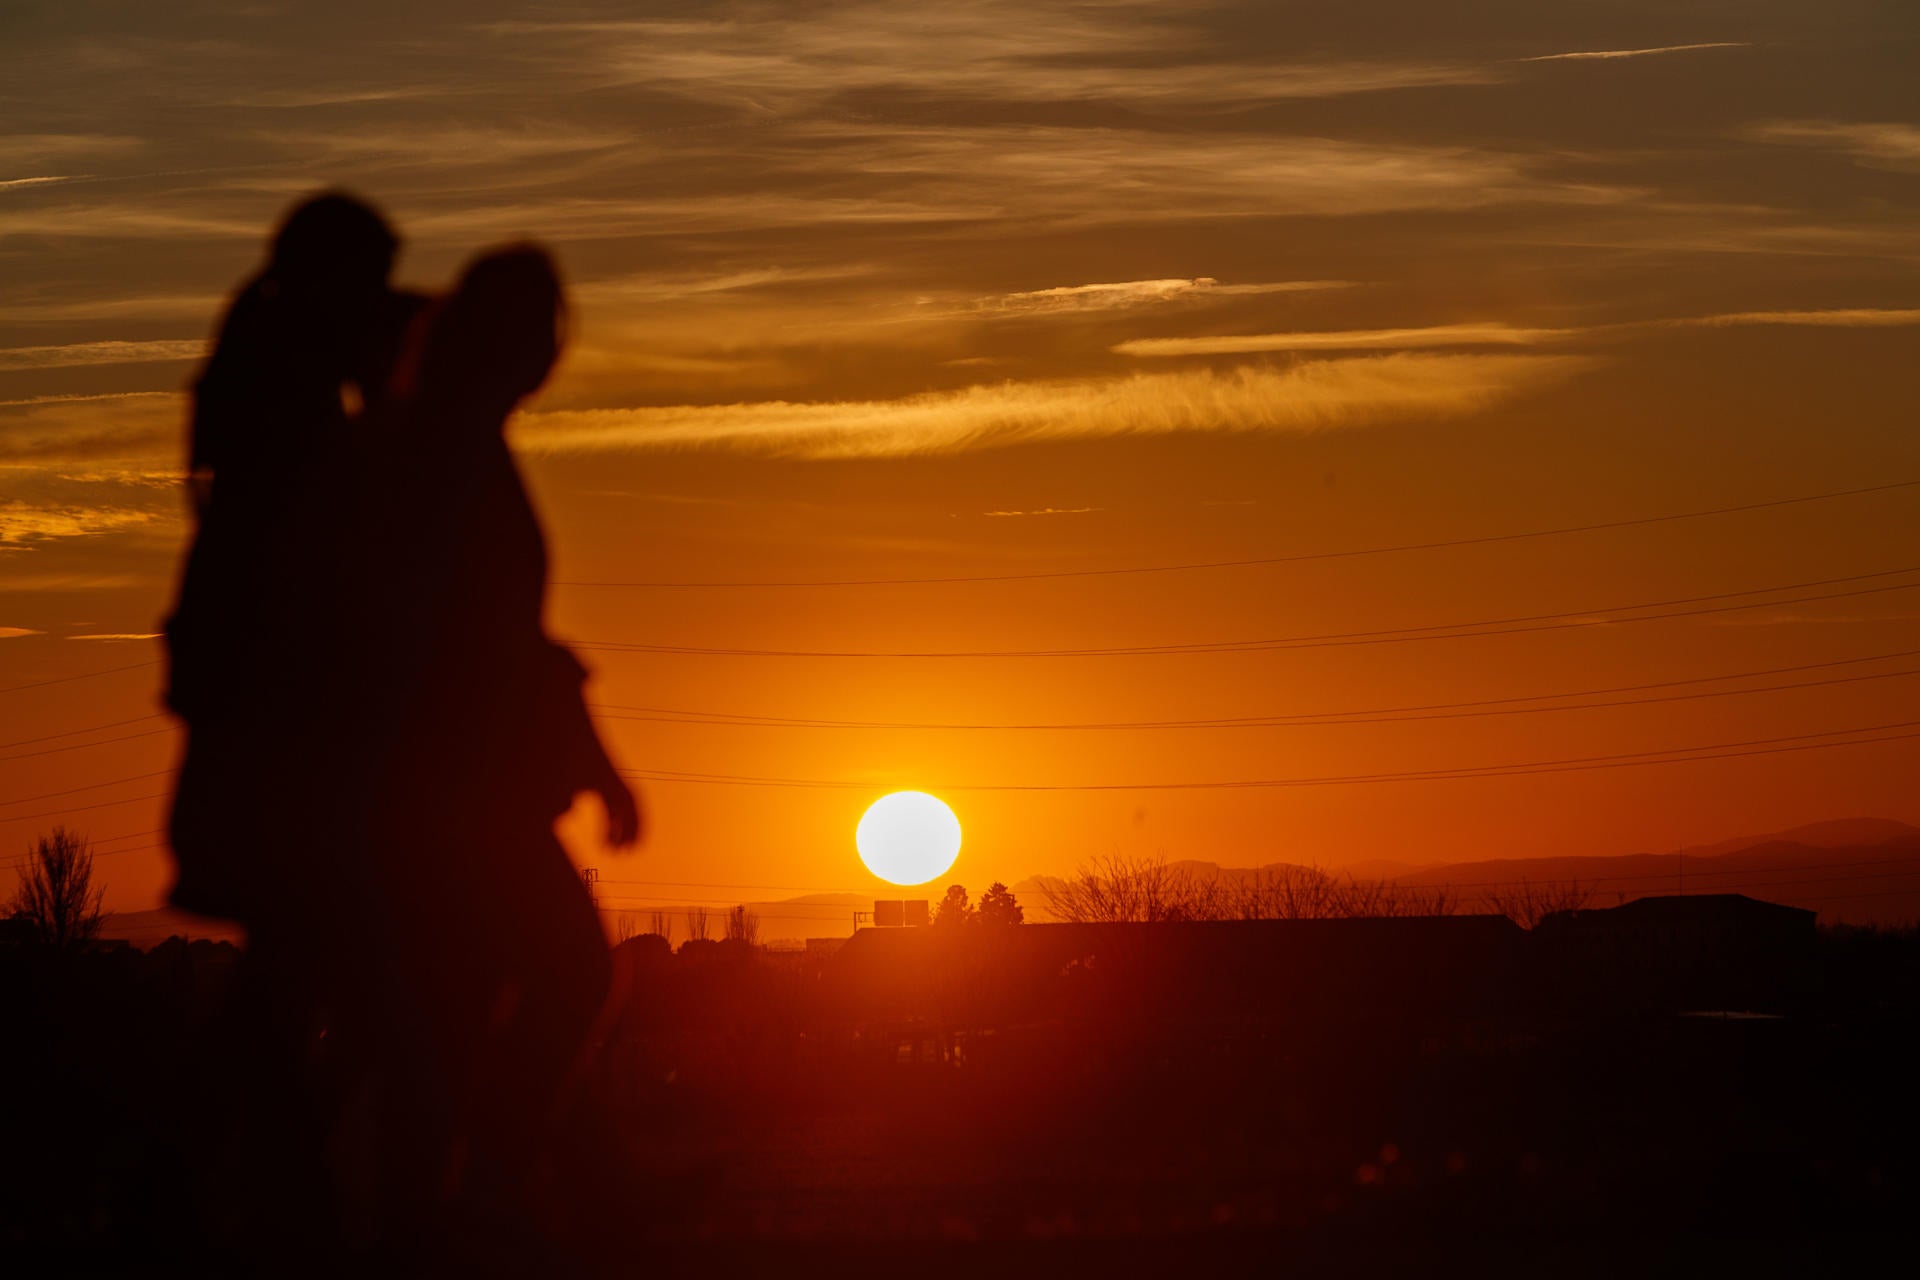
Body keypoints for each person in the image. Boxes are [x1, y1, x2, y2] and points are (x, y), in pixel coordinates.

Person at [341, 243, 640, 1248]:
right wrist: (590, 762)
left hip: (458, 787)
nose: (550, 350)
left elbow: (517, 639)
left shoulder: (452, 447)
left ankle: (450, 1208)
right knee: (547, 977)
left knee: (455, 1010)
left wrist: (588, 761)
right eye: (538, 328)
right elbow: (478, 639)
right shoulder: (440, 458)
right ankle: (473, 1196)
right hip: (452, 794)